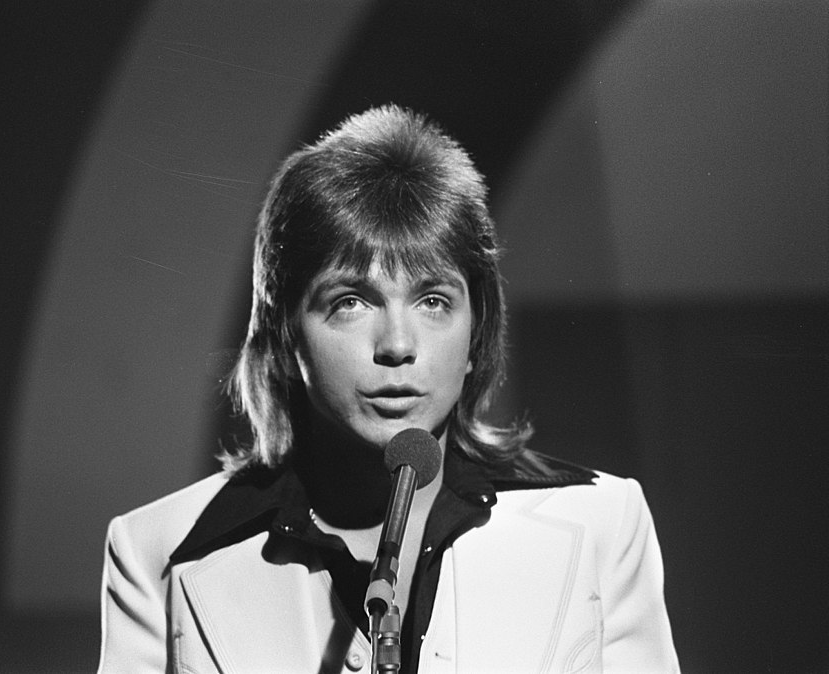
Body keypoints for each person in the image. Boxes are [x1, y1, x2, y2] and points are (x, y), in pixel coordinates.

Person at [97, 105, 679, 673]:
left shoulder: (603, 523)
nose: (398, 344)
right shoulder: (156, 553)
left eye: (433, 301)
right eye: (351, 302)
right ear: (285, 335)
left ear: (476, 332)